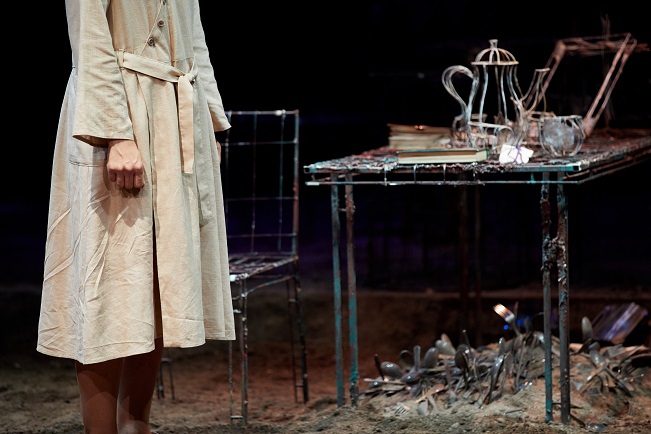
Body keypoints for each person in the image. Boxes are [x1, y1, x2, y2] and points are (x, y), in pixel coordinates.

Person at [37, 1, 235, 432]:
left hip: (173, 117)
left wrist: (209, 122)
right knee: (107, 289)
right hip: (115, 117)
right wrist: (115, 135)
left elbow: (194, 36)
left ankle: (136, 425)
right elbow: (90, 42)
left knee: (156, 285)